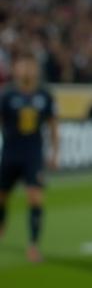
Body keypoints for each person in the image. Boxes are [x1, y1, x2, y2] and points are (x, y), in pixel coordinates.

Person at [0, 55, 58, 263]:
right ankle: (2, 222)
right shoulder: (7, 95)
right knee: (2, 197)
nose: (26, 71)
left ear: (36, 70)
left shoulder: (45, 95)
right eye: (22, 66)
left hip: (33, 154)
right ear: (15, 70)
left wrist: (54, 153)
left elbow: (53, 125)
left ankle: (33, 245)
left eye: (30, 67)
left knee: (35, 198)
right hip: (9, 154)